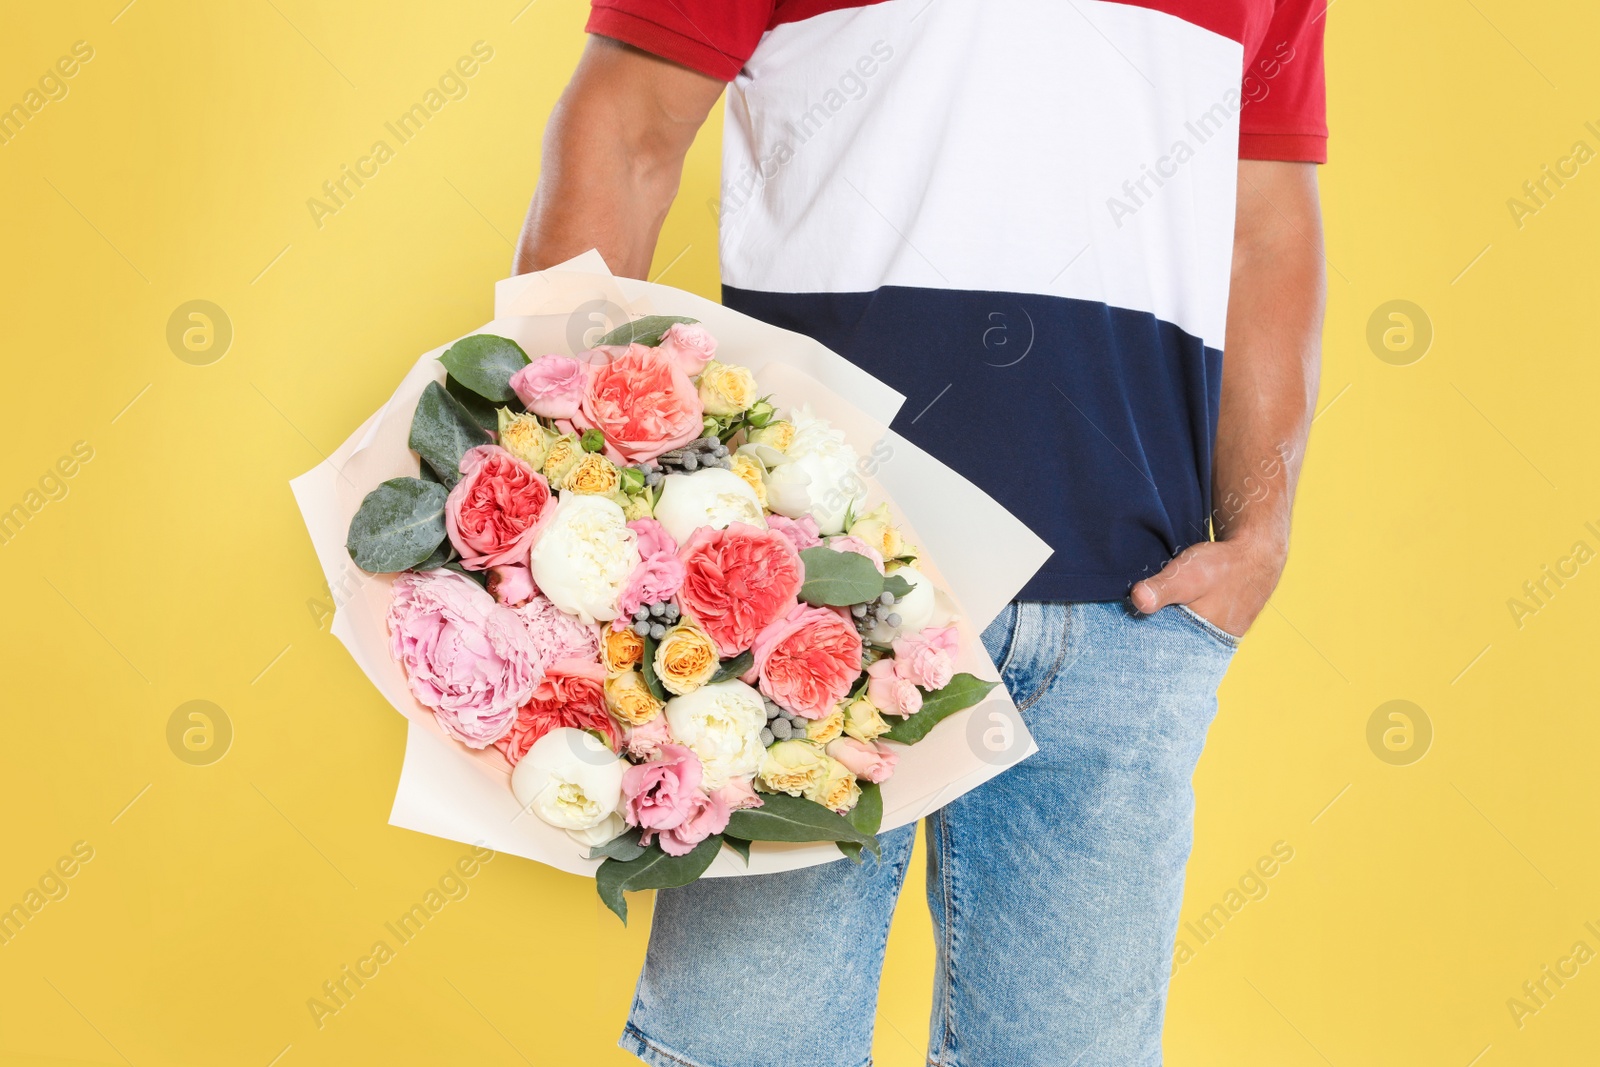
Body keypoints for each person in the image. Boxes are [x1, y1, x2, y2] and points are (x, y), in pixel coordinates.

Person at [515, 1, 1327, 1063]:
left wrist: (1260, 530)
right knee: (746, 1045)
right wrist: (552, 497)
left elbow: (1262, 224)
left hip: (1130, 609)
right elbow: (626, 132)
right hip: (799, 601)